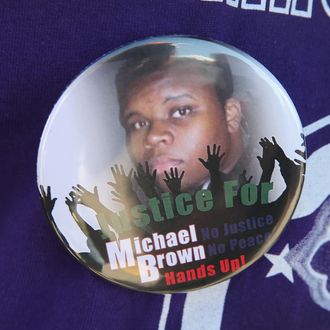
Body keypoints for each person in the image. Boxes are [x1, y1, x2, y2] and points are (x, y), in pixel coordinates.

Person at [114, 43, 245, 194]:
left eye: (181, 112)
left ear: (231, 115)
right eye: (139, 123)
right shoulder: (130, 198)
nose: (152, 137)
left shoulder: (270, 175)